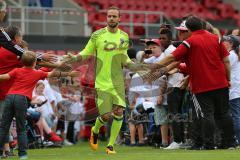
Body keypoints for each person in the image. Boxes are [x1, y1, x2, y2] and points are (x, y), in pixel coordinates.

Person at [62, 6, 145, 154]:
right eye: (109, 16)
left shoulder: (124, 36)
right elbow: (86, 52)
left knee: (119, 112)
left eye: (114, 16)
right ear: (107, 18)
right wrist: (74, 58)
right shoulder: (97, 35)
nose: (111, 18)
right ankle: (95, 129)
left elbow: (124, 57)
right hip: (101, 81)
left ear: (119, 19)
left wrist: (134, 65)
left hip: (117, 81)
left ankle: (110, 145)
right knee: (106, 116)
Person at [151, 16, 235, 149]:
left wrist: (153, 68)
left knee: (207, 115)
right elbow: (226, 61)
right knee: (224, 114)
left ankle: (209, 145)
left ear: (189, 29)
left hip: (202, 87)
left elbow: (172, 57)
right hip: (221, 83)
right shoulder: (216, 38)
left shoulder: (189, 42)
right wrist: (228, 79)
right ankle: (229, 143)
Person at [0, 51, 78, 159]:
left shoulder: (17, 70)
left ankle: (1, 151)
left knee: (3, 127)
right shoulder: (37, 73)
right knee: (21, 128)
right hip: (21, 99)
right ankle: (22, 155)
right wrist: (69, 74)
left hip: (9, 97)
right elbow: (53, 74)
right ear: (34, 63)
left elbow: (4, 77)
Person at [222, 35, 240, 145]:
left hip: (233, 90)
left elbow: (224, 69)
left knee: (235, 116)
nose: (223, 42)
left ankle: (237, 139)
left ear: (231, 44)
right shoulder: (235, 55)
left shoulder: (231, 55)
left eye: (226, 41)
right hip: (236, 89)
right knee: (236, 115)